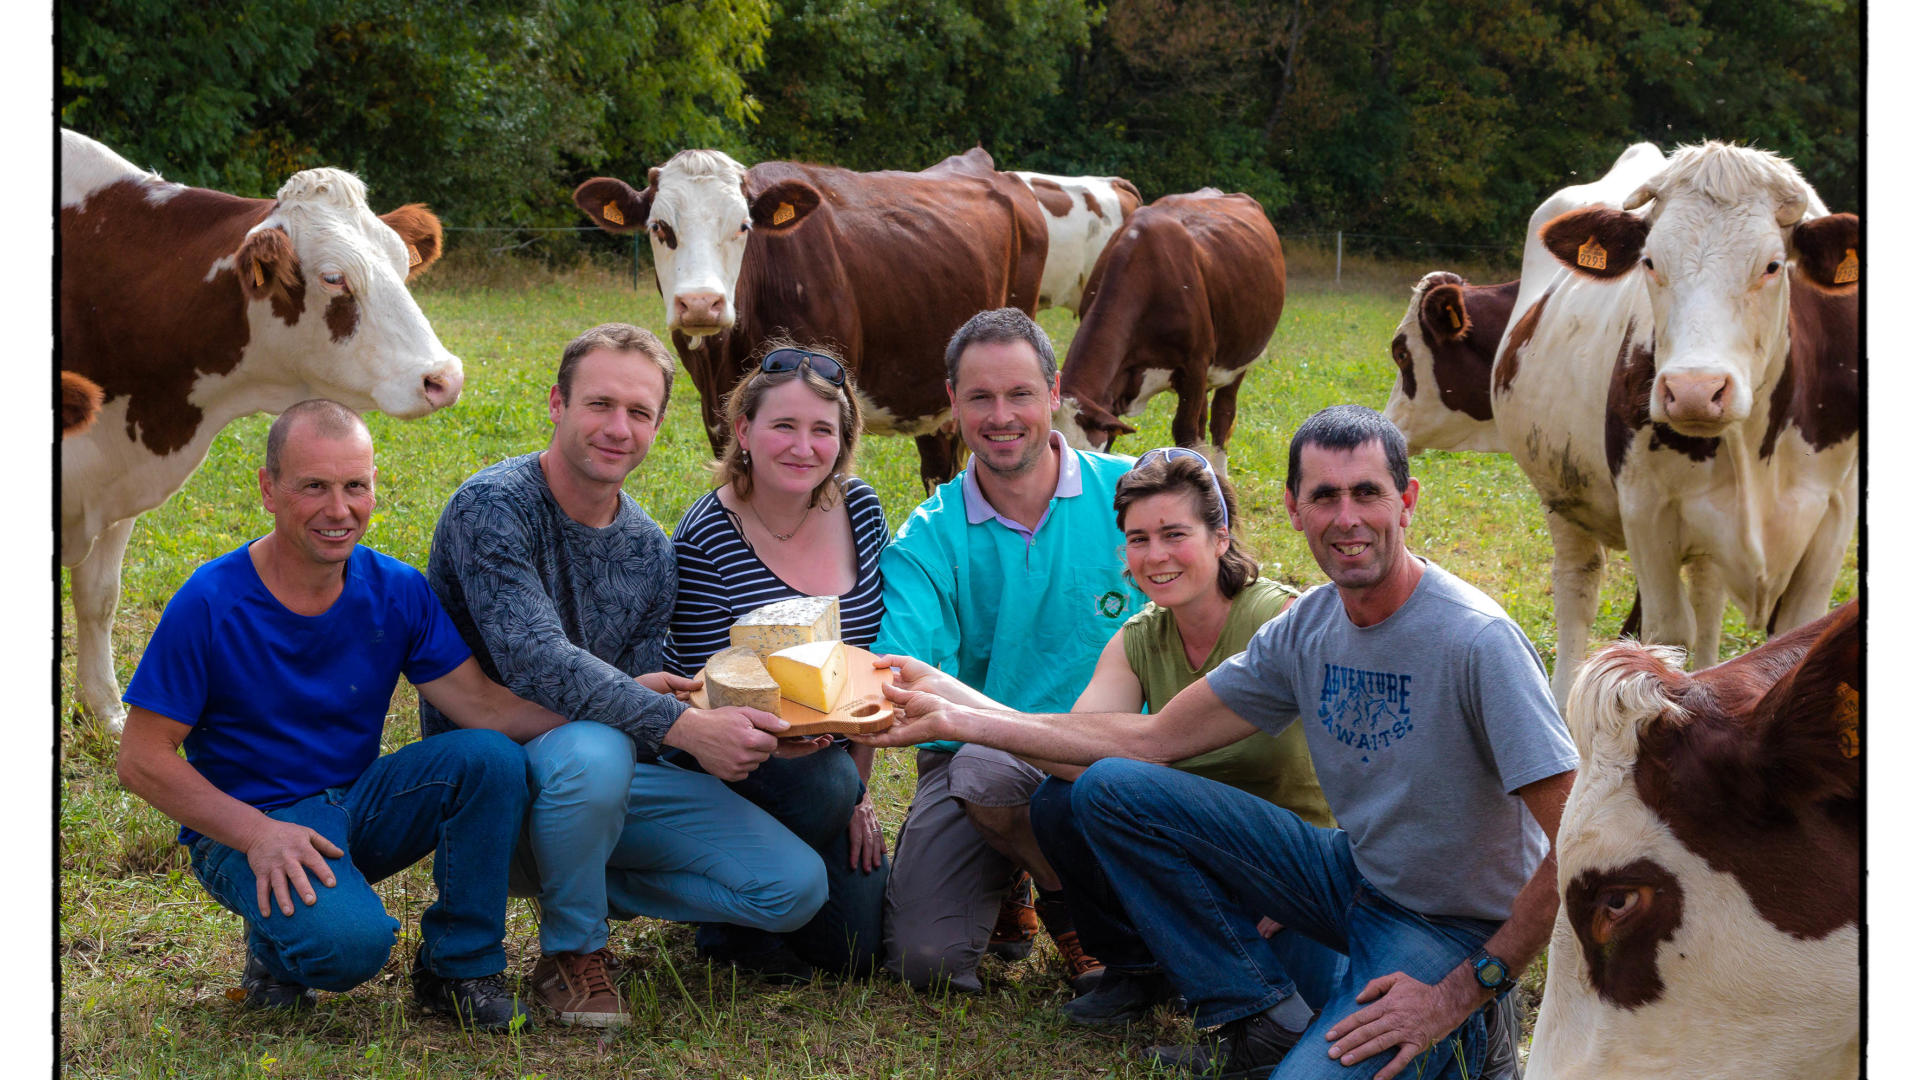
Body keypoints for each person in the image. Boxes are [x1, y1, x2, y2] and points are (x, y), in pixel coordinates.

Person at [861, 405, 1579, 1080]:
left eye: (1368, 493)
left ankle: (1475, 1034)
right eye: (1324, 497)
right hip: (1351, 877)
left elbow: (1579, 841)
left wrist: (1466, 987)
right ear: (1294, 509)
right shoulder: (1310, 628)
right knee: (1111, 789)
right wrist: (953, 708)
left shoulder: (1475, 640)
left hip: (1447, 925)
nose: (1348, 518)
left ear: (1409, 500)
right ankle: (1256, 1017)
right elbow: (1149, 742)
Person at [423, 323, 829, 1030]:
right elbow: (536, 661)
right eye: (599, 404)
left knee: (794, 889)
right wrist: (685, 726)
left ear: (659, 425)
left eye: (639, 412)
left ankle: (573, 880)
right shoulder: (492, 507)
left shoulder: (647, 548)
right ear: (556, 403)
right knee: (596, 746)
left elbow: (646, 695)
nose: (618, 428)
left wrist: (770, 731)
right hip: (496, 787)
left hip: (599, 786)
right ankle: (572, 953)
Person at [117, 400, 564, 1030]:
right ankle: (276, 952)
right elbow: (140, 760)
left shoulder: (397, 589)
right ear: (269, 490)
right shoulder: (210, 601)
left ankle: (458, 969)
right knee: (349, 949)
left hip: (352, 805)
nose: (339, 509)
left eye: (356, 486)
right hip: (248, 827)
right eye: (314, 487)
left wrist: (625, 703)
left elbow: (484, 707)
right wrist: (257, 836)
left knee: (488, 756)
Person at [872, 307, 1145, 994]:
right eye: (980, 397)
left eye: (1020, 393)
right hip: (977, 767)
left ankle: (1063, 891)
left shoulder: (1135, 494)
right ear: (951, 403)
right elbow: (900, 673)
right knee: (923, 959)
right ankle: (1046, 879)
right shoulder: (926, 538)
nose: (1002, 415)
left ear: (1054, 393)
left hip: (1122, 757)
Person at [1030, 446, 1347, 1028]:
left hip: (1298, 860)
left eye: (1175, 533)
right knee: (1060, 799)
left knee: (1313, 1018)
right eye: (1138, 538)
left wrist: (1302, 879)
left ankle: (1233, 989)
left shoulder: (1282, 620)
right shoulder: (1138, 638)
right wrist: (959, 710)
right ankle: (1136, 970)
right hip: (1196, 850)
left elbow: (1361, 759)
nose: (1155, 556)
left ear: (1220, 537)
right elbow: (1074, 748)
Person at [664, 339, 890, 979]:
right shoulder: (708, 535)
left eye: (822, 429)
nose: (802, 446)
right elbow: (700, 692)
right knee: (817, 782)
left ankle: (789, 882)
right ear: (743, 430)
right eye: (783, 425)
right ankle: (731, 916)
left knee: (856, 952)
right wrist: (826, 777)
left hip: (833, 768)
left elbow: (863, 670)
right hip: (734, 766)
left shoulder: (863, 510)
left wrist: (860, 793)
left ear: (842, 438)